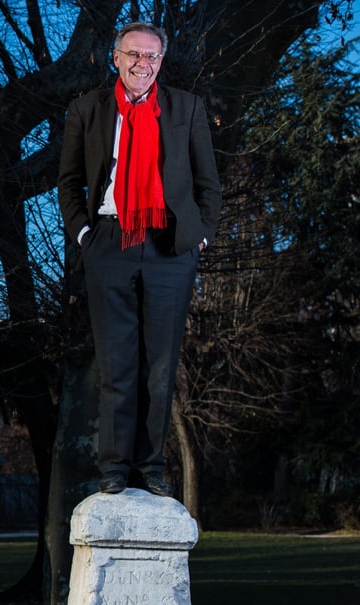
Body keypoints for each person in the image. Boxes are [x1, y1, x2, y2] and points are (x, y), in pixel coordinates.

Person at [58, 22, 221, 497]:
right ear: (116, 57)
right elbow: (69, 181)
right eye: (133, 55)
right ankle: (114, 468)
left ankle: (150, 467)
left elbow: (208, 184)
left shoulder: (185, 108)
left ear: (161, 62)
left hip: (170, 247)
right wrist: (85, 234)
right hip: (109, 241)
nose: (142, 64)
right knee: (117, 363)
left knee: (161, 364)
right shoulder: (87, 109)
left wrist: (200, 238)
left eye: (152, 57)